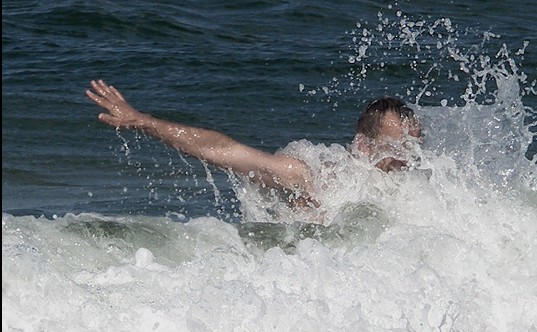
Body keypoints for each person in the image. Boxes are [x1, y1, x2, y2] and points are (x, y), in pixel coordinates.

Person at [85, 79, 422, 212]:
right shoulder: (317, 177)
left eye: (414, 147)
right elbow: (225, 151)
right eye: (397, 148)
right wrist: (145, 121)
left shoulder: (424, 197)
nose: (407, 159)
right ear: (363, 146)